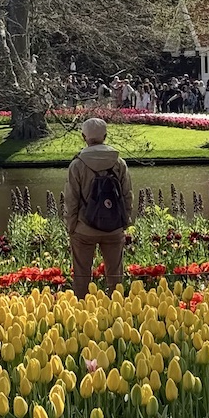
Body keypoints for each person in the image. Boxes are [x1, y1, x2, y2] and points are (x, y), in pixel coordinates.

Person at [65, 117, 132, 300]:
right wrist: (124, 222)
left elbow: (71, 200)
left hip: (84, 228)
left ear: (83, 137)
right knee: (115, 274)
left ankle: (82, 311)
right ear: (105, 136)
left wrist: (71, 226)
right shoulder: (119, 163)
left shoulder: (77, 165)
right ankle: (117, 311)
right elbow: (127, 195)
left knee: (81, 274)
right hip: (114, 227)